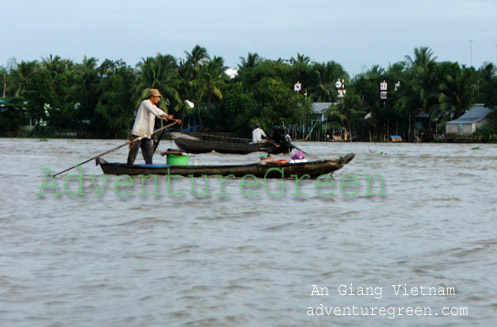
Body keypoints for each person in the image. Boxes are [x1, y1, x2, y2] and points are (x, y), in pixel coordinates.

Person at [127, 89, 181, 165]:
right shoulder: (145, 103)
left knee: (149, 155)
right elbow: (154, 111)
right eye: (157, 97)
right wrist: (167, 116)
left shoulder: (153, 106)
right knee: (133, 153)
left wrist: (174, 119)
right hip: (138, 133)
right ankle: (129, 168)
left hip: (147, 134)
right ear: (152, 97)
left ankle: (149, 169)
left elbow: (159, 112)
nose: (158, 99)